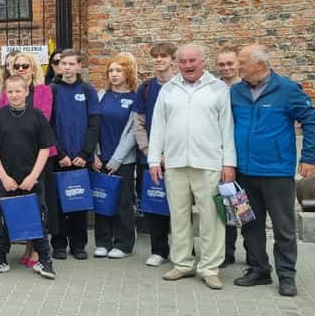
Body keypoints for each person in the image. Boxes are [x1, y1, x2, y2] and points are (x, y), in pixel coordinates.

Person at [231, 44, 315, 297]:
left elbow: (312, 121)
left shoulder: (287, 90)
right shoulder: (236, 91)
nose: (238, 67)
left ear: (260, 65)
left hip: (276, 172)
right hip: (243, 172)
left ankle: (286, 275)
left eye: (242, 62)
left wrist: (309, 156)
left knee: (284, 227)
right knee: (249, 223)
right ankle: (258, 270)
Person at [148, 43, 236, 290]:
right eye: (183, 61)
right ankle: (183, 263)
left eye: (192, 61)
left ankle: (209, 268)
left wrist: (229, 163)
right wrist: (154, 159)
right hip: (175, 163)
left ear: (203, 62)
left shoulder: (218, 88)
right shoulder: (168, 89)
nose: (187, 66)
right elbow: (158, 126)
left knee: (211, 219)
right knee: (178, 217)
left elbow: (227, 128)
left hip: (209, 163)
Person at [0, 75, 56, 279]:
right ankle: (0, 259)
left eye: (18, 91)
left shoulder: (37, 116)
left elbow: (45, 149)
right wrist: (3, 177)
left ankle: (45, 259)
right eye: (10, 91)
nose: (14, 95)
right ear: (5, 93)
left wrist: (33, 176)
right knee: (2, 219)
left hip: (32, 179)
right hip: (6, 179)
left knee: (38, 218)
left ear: (26, 92)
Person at [0, 51, 57, 268]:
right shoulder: (8, 90)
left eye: (25, 66)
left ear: (33, 68)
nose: (21, 69)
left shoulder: (44, 91)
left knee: (37, 204)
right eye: (17, 66)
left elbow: (43, 119)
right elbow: (3, 116)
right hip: (14, 155)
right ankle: (26, 246)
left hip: (38, 155)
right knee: (19, 202)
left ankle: (36, 250)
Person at [49, 49, 101, 261]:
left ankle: (78, 245)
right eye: (64, 64)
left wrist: (85, 153)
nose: (67, 67)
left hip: (81, 158)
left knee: (79, 201)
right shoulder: (51, 90)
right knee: (59, 203)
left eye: (72, 64)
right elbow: (47, 125)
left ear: (79, 66)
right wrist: (59, 153)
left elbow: (94, 124)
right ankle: (59, 244)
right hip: (59, 158)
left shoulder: (88, 90)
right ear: (59, 66)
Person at [132, 42, 176, 267]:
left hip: (178, 158)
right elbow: (138, 123)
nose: (159, 60)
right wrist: (151, 154)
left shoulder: (181, 85)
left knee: (180, 207)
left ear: (172, 60)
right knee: (154, 204)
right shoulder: (146, 88)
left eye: (164, 56)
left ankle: (182, 250)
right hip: (150, 159)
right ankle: (159, 250)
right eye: (155, 56)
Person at [92, 53, 139, 259]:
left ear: (128, 72)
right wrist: (94, 154)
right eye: (111, 70)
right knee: (102, 199)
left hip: (123, 161)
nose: (114, 74)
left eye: (118, 70)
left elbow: (133, 132)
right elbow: (93, 126)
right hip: (100, 158)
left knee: (123, 202)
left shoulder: (135, 97)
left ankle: (123, 244)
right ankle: (103, 242)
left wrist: (117, 159)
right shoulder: (102, 95)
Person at [215, 44, 243, 267]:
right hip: (220, 156)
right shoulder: (214, 88)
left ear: (238, 64)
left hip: (244, 156)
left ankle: (254, 254)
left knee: (243, 206)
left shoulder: (245, 88)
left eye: (230, 63)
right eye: (221, 64)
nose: (226, 68)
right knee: (226, 205)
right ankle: (226, 252)